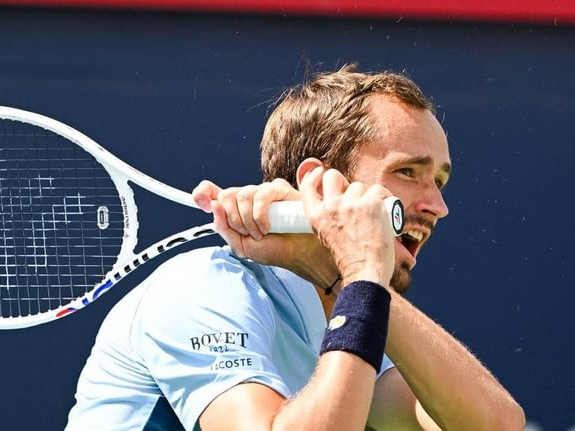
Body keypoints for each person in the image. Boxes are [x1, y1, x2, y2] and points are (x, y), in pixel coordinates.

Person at [65, 64, 525, 430]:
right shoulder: (201, 287)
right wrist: (363, 276)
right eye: (408, 172)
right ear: (318, 184)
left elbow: (494, 426)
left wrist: (346, 275)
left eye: (439, 181)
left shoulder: (348, 310)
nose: (437, 206)